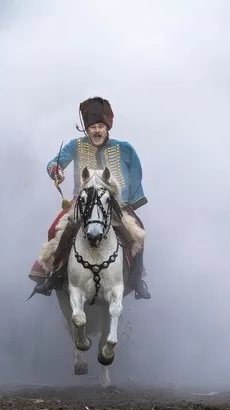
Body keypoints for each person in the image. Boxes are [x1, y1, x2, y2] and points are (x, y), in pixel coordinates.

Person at [28, 96, 152, 300]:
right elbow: (53, 163)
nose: (96, 131)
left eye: (100, 126)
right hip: (82, 202)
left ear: (107, 128)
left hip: (115, 203)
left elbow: (136, 174)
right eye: (92, 126)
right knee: (54, 230)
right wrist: (56, 170)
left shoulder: (125, 148)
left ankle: (137, 279)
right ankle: (53, 276)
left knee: (138, 233)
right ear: (86, 129)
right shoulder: (74, 146)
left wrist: (126, 199)